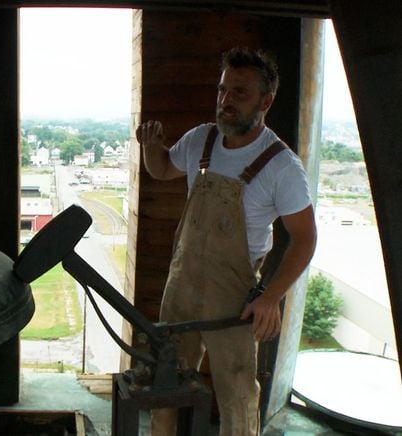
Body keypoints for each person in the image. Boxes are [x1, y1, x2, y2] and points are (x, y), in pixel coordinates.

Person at [136, 47, 317, 436]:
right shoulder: (202, 139)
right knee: (166, 381)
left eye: (239, 93)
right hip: (181, 285)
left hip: (233, 294)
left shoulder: (281, 166)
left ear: (265, 101)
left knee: (236, 392)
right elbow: (164, 168)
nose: (225, 101)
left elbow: (304, 239)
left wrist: (269, 296)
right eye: (222, 90)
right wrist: (152, 147)